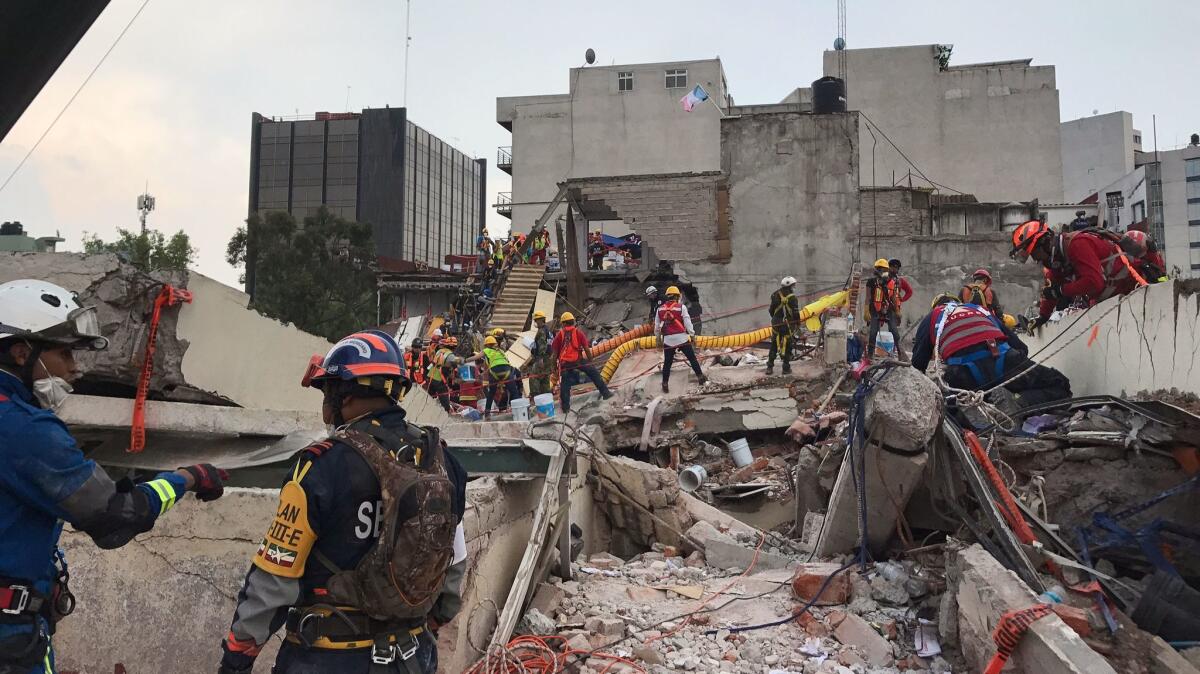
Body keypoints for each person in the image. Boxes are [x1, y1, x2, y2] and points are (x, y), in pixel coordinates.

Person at [0, 280, 228, 673]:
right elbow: (114, 516)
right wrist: (186, 478)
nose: (74, 367)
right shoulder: (24, 430)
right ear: (22, 352)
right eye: (65, 352)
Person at [220, 330, 467, 674]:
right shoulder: (440, 460)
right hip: (413, 656)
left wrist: (237, 657)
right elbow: (453, 563)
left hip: (330, 658)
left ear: (345, 396)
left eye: (327, 393)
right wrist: (426, 623)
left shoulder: (322, 465)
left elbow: (274, 576)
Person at [911, 294, 1071, 415]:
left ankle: (971, 413)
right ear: (959, 303)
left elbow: (917, 368)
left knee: (948, 408)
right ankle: (1019, 401)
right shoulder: (979, 309)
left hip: (963, 375)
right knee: (1060, 387)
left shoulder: (931, 318)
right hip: (1003, 360)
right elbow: (1021, 347)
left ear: (935, 307)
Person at [1010, 219, 1148, 332]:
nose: (1036, 259)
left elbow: (1094, 282)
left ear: (1044, 243)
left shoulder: (1077, 245)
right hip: (1111, 299)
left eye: (1034, 254)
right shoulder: (1058, 258)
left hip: (1134, 292)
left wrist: (1061, 291)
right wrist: (1043, 317)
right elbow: (1053, 285)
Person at [552, 312, 614, 413]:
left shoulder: (559, 335)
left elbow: (554, 354)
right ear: (573, 322)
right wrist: (590, 362)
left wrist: (554, 366)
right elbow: (586, 349)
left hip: (565, 364)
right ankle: (606, 393)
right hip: (577, 360)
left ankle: (566, 408)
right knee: (593, 373)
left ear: (563, 324)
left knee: (565, 384)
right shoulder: (578, 333)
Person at [654, 286, 709, 394]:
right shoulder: (681, 307)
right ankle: (700, 377)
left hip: (668, 339)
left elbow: (656, 327)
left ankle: (665, 383)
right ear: (677, 296)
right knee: (692, 358)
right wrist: (692, 335)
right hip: (681, 338)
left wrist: (658, 339)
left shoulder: (659, 309)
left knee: (667, 363)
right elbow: (688, 323)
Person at [864, 258, 905, 360]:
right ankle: (870, 355)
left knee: (894, 330)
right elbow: (868, 297)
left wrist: (897, 310)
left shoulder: (891, 282)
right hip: (875, 309)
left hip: (888, 309)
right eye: (882, 270)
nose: (885, 272)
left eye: (886, 270)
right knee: (873, 331)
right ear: (877, 270)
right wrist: (866, 310)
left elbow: (893, 297)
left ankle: (901, 353)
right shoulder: (871, 282)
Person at [428, 336, 476, 413]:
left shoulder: (440, 351)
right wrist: (466, 360)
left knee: (429, 396)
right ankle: (447, 413)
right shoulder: (449, 354)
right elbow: (456, 361)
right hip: (440, 379)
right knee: (444, 399)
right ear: (453, 347)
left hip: (432, 376)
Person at [766, 276, 801, 375]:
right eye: (793, 286)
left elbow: (771, 310)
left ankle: (769, 367)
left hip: (776, 323)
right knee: (788, 344)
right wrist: (797, 323)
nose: (794, 287)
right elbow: (795, 313)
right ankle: (786, 368)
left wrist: (776, 319)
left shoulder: (775, 294)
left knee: (773, 344)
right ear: (789, 286)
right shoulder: (793, 298)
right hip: (787, 325)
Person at [480, 336, 522, 416]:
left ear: (487, 345)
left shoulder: (488, 353)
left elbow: (487, 369)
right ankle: (520, 410)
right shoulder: (501, 352)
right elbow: (508, 364)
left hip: (496, 376)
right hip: (507, 375)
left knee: (491, 394)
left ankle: (487, 413)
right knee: (514, 393)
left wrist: (465, 360)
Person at [526, 311, 555, 397]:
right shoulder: (547, 330)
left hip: (542, 358)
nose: (535, 322)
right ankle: (546, 395)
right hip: (548, 358)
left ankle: (535, 396)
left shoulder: (542, 331)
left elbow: (542, 345)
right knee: (545, 378)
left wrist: (540, 359)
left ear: (541, 320)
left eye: (537, 320)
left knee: (533, 377)